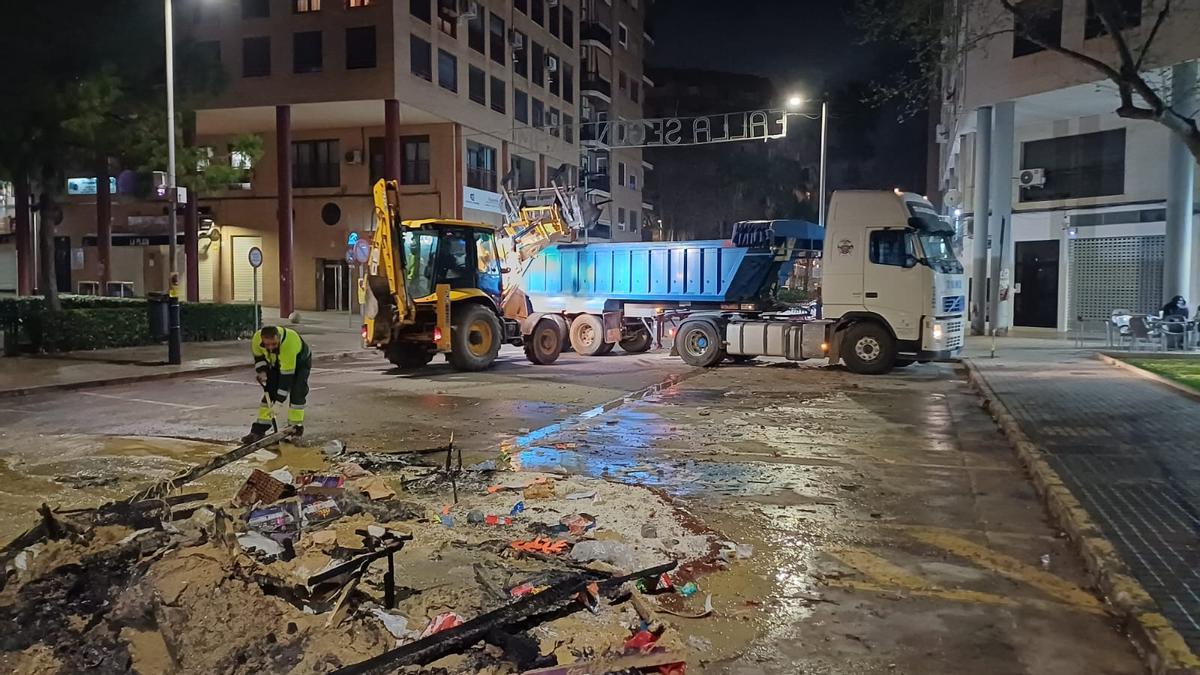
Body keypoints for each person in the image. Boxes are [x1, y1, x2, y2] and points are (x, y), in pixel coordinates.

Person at [241, 325, 311, 444]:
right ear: (262, 339)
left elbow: (286, 379)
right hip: (275, 362)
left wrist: (279, 403)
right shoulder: (257, 339)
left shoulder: (289, 344)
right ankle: (258, 431)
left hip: (300, 362)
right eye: (267, 345)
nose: (270, 347)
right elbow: (259, 357)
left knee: (297, 393)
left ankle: (295, 429)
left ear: (278, 338)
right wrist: (262, 372)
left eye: (274, 344)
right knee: (269, 394)